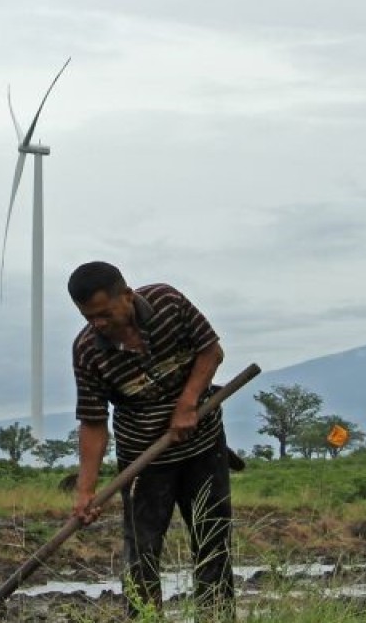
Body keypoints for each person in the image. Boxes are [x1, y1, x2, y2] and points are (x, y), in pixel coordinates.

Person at [67, 261, 234, 620]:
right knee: (141, 553)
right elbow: (93, 423)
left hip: (203, 448)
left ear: (127, 296)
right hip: (143, 461)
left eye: (104, 314)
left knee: (212, 544)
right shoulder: (87, 351)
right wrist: (86, 489)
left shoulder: (167, 302)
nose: (98, 324)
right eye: (88, 317)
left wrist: (188, 403)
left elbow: (211, 351)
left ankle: (217, 617)